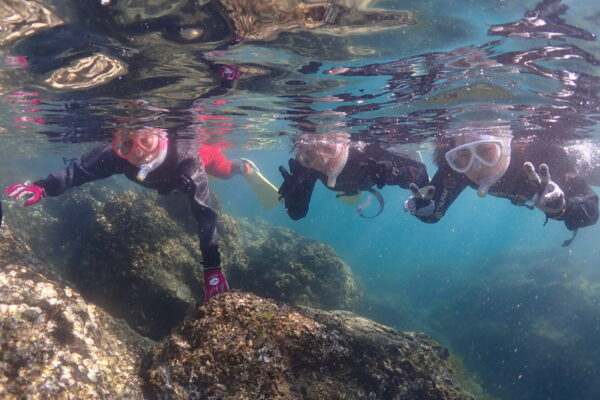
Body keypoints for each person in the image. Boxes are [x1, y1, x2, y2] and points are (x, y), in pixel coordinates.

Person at [4, 127, 257, 303]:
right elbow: (76, 173)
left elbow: (205, 215)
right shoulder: (116, 157)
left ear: (162, 137)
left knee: (224, 170)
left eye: (146, 141)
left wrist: (212, 268)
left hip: (202, 160)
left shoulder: (187, 159)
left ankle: (241, 166)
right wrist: (42, 187)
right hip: (166, 183)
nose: (138, 152)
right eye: (127, 144)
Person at [403, 125, 599, 246]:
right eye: (464, 154)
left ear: (505, 146)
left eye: (486, 151)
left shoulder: (542, 155)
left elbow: (591, 210)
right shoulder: (457, 167)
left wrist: (564, 209)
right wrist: (423, 209)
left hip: (577, 164)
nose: (477, 166)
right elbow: (433, 212)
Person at [278, 131, 430, 220]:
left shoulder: (371, 153)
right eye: (308, 156)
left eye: (328, 149)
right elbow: (297, 214)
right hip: (352, 187)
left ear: (341, 143)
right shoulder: (309, 168)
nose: (323, 161)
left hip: (364, 182)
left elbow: (421, 174)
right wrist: (295, 198)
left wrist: (397, 173)